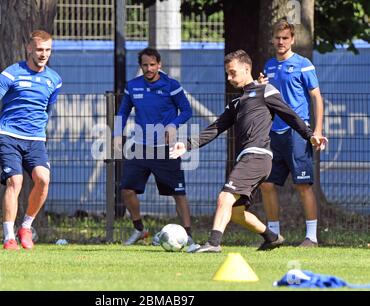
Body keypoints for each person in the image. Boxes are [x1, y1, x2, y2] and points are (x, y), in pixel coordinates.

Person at [169, 50, 327, 253]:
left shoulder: (265, 91)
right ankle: (271, 237)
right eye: (227, 73)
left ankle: (214, 243)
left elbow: (290, 115)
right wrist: (187, 144)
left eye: (232, 73)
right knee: (235, 212)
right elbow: (216, 128)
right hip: (249, 157)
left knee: (225, 197)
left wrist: (309, 134)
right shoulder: (236, 103)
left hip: (258, 155)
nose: (229, 78)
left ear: (246, 69)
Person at [0, 30, 62, 250]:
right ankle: (8, 237)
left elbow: (48, 108)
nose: (43, 54)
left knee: (43, 180)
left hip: (36, 140)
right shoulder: (11, 73)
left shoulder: (54, 80)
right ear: (29, 48)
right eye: (39, 49)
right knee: (14, 182)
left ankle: (25, 227)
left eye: (47, 50)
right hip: (9, 136)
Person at [114, 47, 194, 245]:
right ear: (140, 66)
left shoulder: (171, 85)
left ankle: (188, 235)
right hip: (140, 147)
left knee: (178, 193)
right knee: (126, 190)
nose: (149, 69)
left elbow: (186, 110)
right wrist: (116, 133)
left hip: (166, 149)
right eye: (145, 65)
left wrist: (172, 125)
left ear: (159, 64)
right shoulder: (133, 86)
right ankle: (140, 229)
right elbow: (122, 112)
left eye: (152, 65)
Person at [259, 19, 325, 247]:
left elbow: (316, 97)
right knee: (266, 184)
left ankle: (312, 237)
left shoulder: (303, 64)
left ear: (292, 40)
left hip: (297, 132)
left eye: (285, 38)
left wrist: (316, 131)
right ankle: (274, 236)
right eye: (277, 38)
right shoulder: (268, 66)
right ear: (272, 39)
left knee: (303, 185)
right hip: (273, 133)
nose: (280, 42)